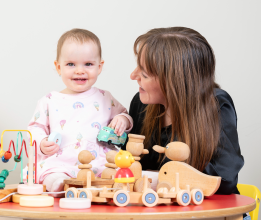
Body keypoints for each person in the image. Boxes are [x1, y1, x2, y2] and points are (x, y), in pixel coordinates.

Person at [123, 27, 244, 196]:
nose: (133, 75)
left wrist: (157, 178)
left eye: (144, 73)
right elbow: (130, 164)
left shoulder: (216, 105)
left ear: (173, 81)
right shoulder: (141, 103)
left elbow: (224, 181)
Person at [27, 28, 133, 196]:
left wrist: (123, 119)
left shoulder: (105, 97)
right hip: (61, 159)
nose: (79, 70)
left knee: (112, 172)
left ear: (100, 67)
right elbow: (35, 128)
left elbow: (125, 114)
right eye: (71, 64)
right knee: (50, 172)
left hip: (98, 160)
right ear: (58, 67)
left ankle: (101, 189)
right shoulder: (49, 100)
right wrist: (41, 143)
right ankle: (59, 184)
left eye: (88, 64)